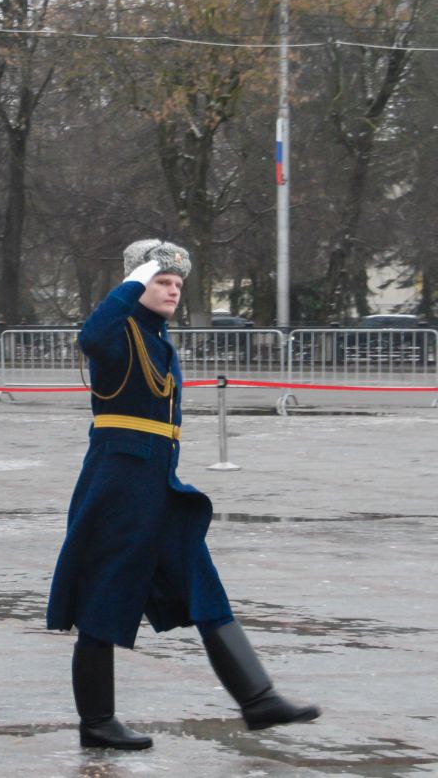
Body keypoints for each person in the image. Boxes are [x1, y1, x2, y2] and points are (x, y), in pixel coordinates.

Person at [46, 239, 320, 750]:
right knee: (104, 597)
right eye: (160, 281)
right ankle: (97, 722)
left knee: (203, 587)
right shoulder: (119, 329)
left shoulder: (155, 335)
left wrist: (148, 280)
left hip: (159, 485)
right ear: (135, 285)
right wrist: (132, 280)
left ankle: (258, 699)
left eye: (176, 284)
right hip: (119, 485)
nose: (171, 290)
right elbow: (91, 335)